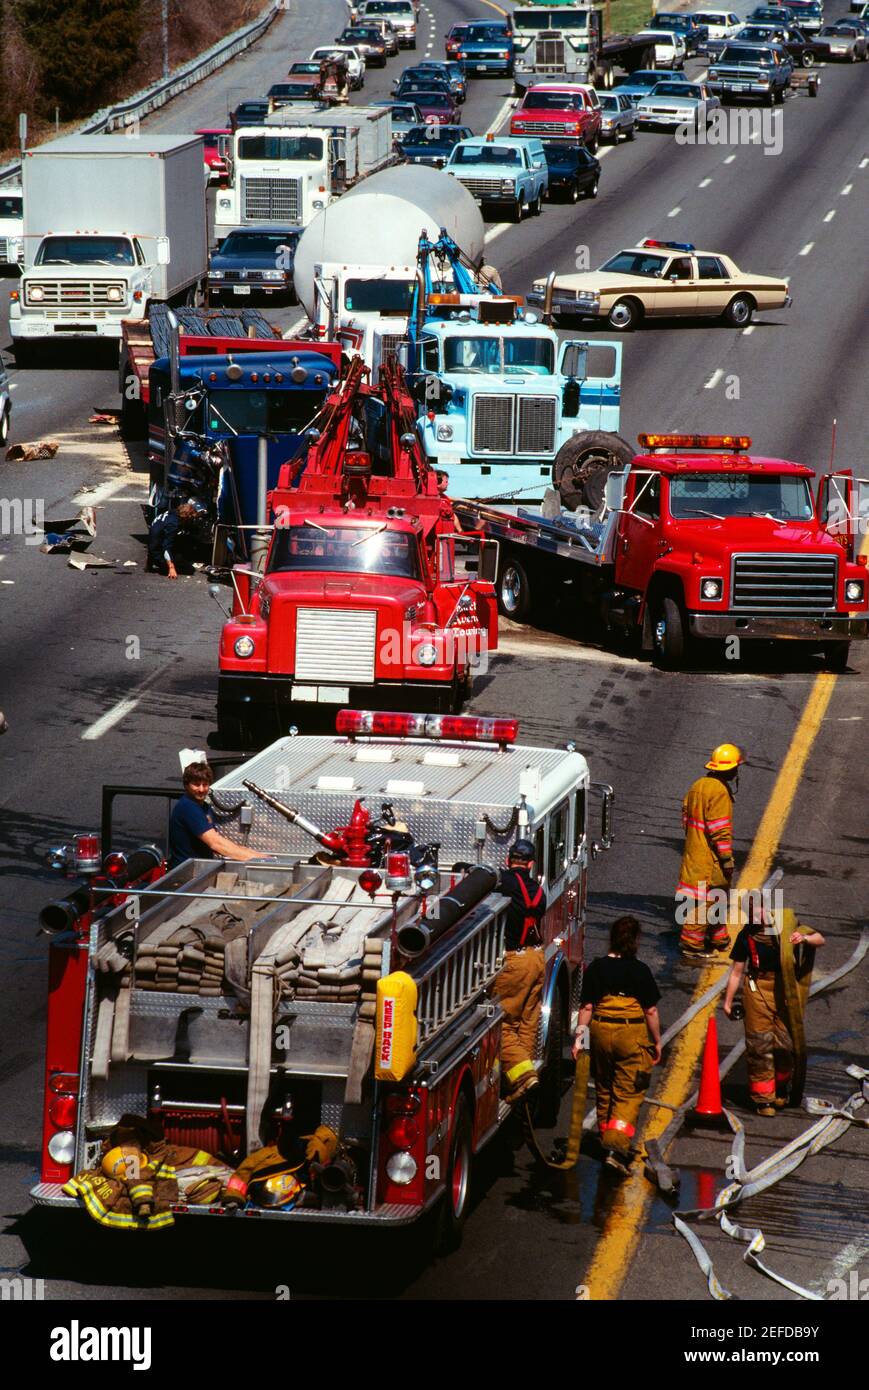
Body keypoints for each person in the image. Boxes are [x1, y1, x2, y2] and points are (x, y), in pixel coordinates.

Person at [573, 916, 662, 1175]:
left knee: (604, 1085)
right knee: (628, 1090)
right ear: (634, 941)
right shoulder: (640, 970)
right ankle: (616, 1148)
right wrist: (657, 1041)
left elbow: (587, 1007)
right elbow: (651, 1010)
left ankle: (606, 1138)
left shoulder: (597, 968)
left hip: (600, 1032)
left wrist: (580, 1040)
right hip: (630, 1033)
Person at [723, 902, 824, 1116]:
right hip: (757, 989)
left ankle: (780, 1089)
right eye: (751, 915)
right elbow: (736, 972)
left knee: (785, 1044)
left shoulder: (786, 926)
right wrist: (728, 1001)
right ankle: (763, 1099)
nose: (756, 918)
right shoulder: (746, 935)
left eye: (758, 912)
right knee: (759, 1045)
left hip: (785, 990)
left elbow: (819, 939)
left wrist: (803, 938)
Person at [491, 839, 547, 1104]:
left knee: (499, 1023)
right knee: (527, 1020)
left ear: (507, 860)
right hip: (537, 958)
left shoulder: (505, 882)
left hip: (514, 962)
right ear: (532, 864)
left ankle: (524, 1076)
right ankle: (519, 1082)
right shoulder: (539, 891)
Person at [676, 743, 744, 958]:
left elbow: (686, 819)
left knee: (719, 896)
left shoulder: (698, 785)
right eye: (736, 767)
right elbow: (719, 830)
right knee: (710, 899)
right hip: (710, 858)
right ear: (730, 769)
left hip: (695, 852)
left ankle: (719, 937)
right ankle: (691, 943)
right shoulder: (720, 792)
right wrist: (726, 858)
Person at [168, 762, 267, 869]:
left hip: (200, 867)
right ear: (186, 785)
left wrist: (253, 853)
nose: (201, 789)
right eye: (196, 784)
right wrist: (260, 860)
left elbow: (217, 838)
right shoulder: (188, 808)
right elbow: (216, 844)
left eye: (205, 784)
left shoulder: (203, 806)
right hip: (186, 871)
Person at [147, 500, 204, 579]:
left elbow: (154, 537)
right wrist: (171, 567)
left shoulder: (172, 512)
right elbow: (166, 547)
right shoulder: (173, 525)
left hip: (153, 543)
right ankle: (164, 562)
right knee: (188, 569)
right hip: (157, 551)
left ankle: (156, 560)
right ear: (186, 517)